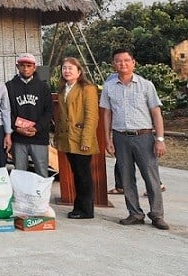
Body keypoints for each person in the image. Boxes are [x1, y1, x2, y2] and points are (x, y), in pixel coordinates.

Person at [100, 48, 168, 230]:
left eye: (126, 60)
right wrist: (107, 139)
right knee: (127, 177)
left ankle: (157, 214)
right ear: (113, 64)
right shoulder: (109, 86)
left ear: (133, 62)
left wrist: (159, 138)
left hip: (144, 137)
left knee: (151, 177)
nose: (123, 64)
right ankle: (135, 213)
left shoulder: (146, 85)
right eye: (118, 61)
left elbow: (156, 114)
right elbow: (106, 114)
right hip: (121, 137)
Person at [55, 57, 98, 219]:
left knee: (83, 175)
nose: (67, 71)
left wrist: (86, 139)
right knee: (76, 173)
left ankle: (86, 210)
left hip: (81, 138)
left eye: (70, 68)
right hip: (67, 138)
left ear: (79, 72)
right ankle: (78, 207)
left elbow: (92, 116)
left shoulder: (87, 88)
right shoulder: (63, 89)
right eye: (64, 68)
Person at [6, 53, 52, 177]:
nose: (25, 68)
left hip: (39, 136)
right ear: (17, 66)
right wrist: (17, 128)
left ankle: (41, 197)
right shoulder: (9, 86)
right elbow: (6, 111)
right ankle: (21, 197)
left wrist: (37, 128)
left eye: (28, 65)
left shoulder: (43, 87)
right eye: (22, 65)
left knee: (42, 171)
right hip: (19, 137)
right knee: (20, 172)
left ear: (34, 67)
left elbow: (48, 111)